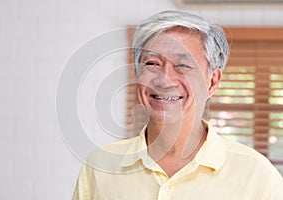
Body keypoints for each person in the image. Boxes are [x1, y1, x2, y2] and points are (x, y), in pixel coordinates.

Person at [72, 10, 283, 199]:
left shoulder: (257, 175)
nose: (164, 80)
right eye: (152, 64)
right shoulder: (99, 167)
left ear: (212, 82)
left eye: (183, 65)